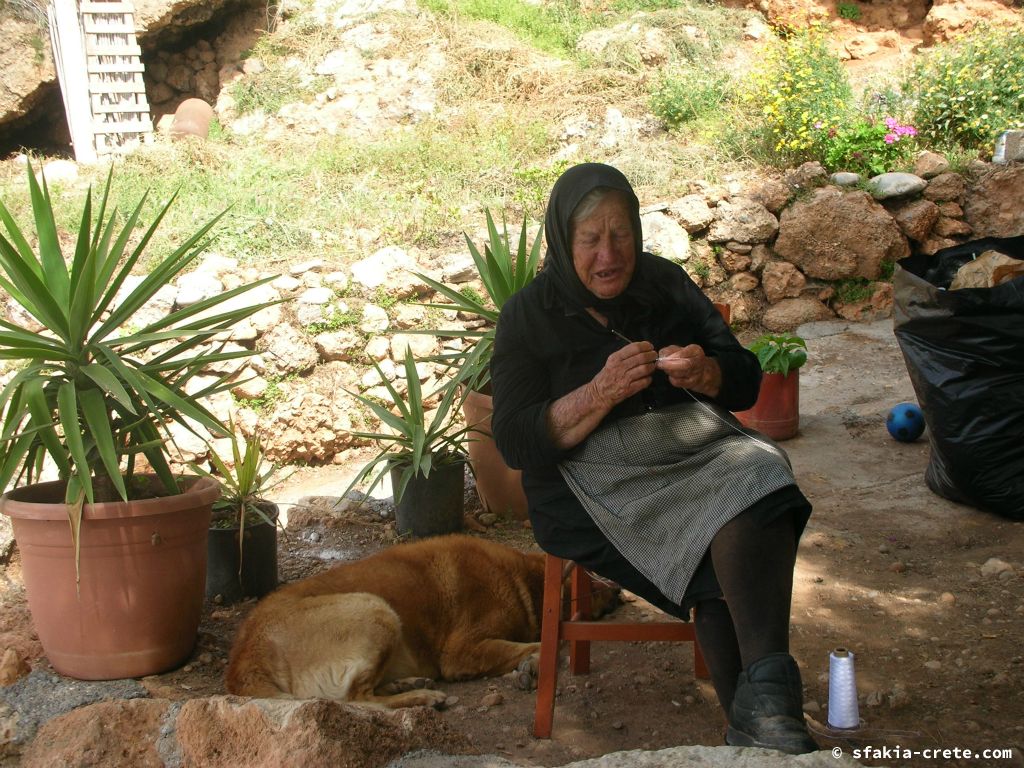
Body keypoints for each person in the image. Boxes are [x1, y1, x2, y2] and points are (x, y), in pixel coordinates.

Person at [490, 162, 818, 754]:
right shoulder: (527, 316)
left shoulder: (664, 284)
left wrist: (709, 371)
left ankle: (762, 722)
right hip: (588, 486)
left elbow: (744, 380)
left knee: (760, 473)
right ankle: (768, 721)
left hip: (691, 450)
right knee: (731, 528)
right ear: (563, 242)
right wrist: (599, 392)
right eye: (590, 239)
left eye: (622, 235)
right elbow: (514, 438)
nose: (608, 254)